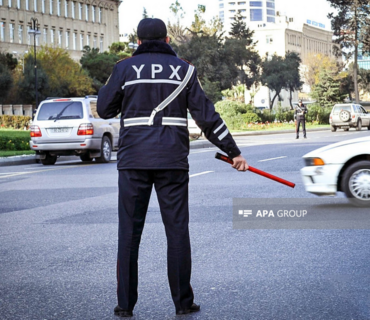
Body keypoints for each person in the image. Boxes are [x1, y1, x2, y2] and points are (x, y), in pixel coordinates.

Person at [97, 18, 249, 318]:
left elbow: (104, 109)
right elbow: (207, 117)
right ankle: (183, 303)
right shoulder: (184, 69)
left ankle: (125, 305)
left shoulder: (124, 68)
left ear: (137, 41)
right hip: (172, 162)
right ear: (168, 40)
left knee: (129, 234)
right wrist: (233, 152)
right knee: (177, 232)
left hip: (133, 162)